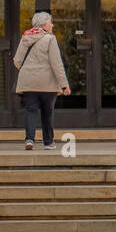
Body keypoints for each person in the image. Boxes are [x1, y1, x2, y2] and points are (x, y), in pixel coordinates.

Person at [12, 11, 71, 150]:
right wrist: (64, 85)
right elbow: (56, 64)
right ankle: (48, 142)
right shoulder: (50, 39)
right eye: (50, 22)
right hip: (47, 84)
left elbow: (16, 61)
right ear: (44, 24)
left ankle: (29, 140)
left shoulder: (26, 37)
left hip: (29, 82)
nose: (52, 25)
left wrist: (28, 69)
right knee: (47, 111)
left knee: (31, 110)